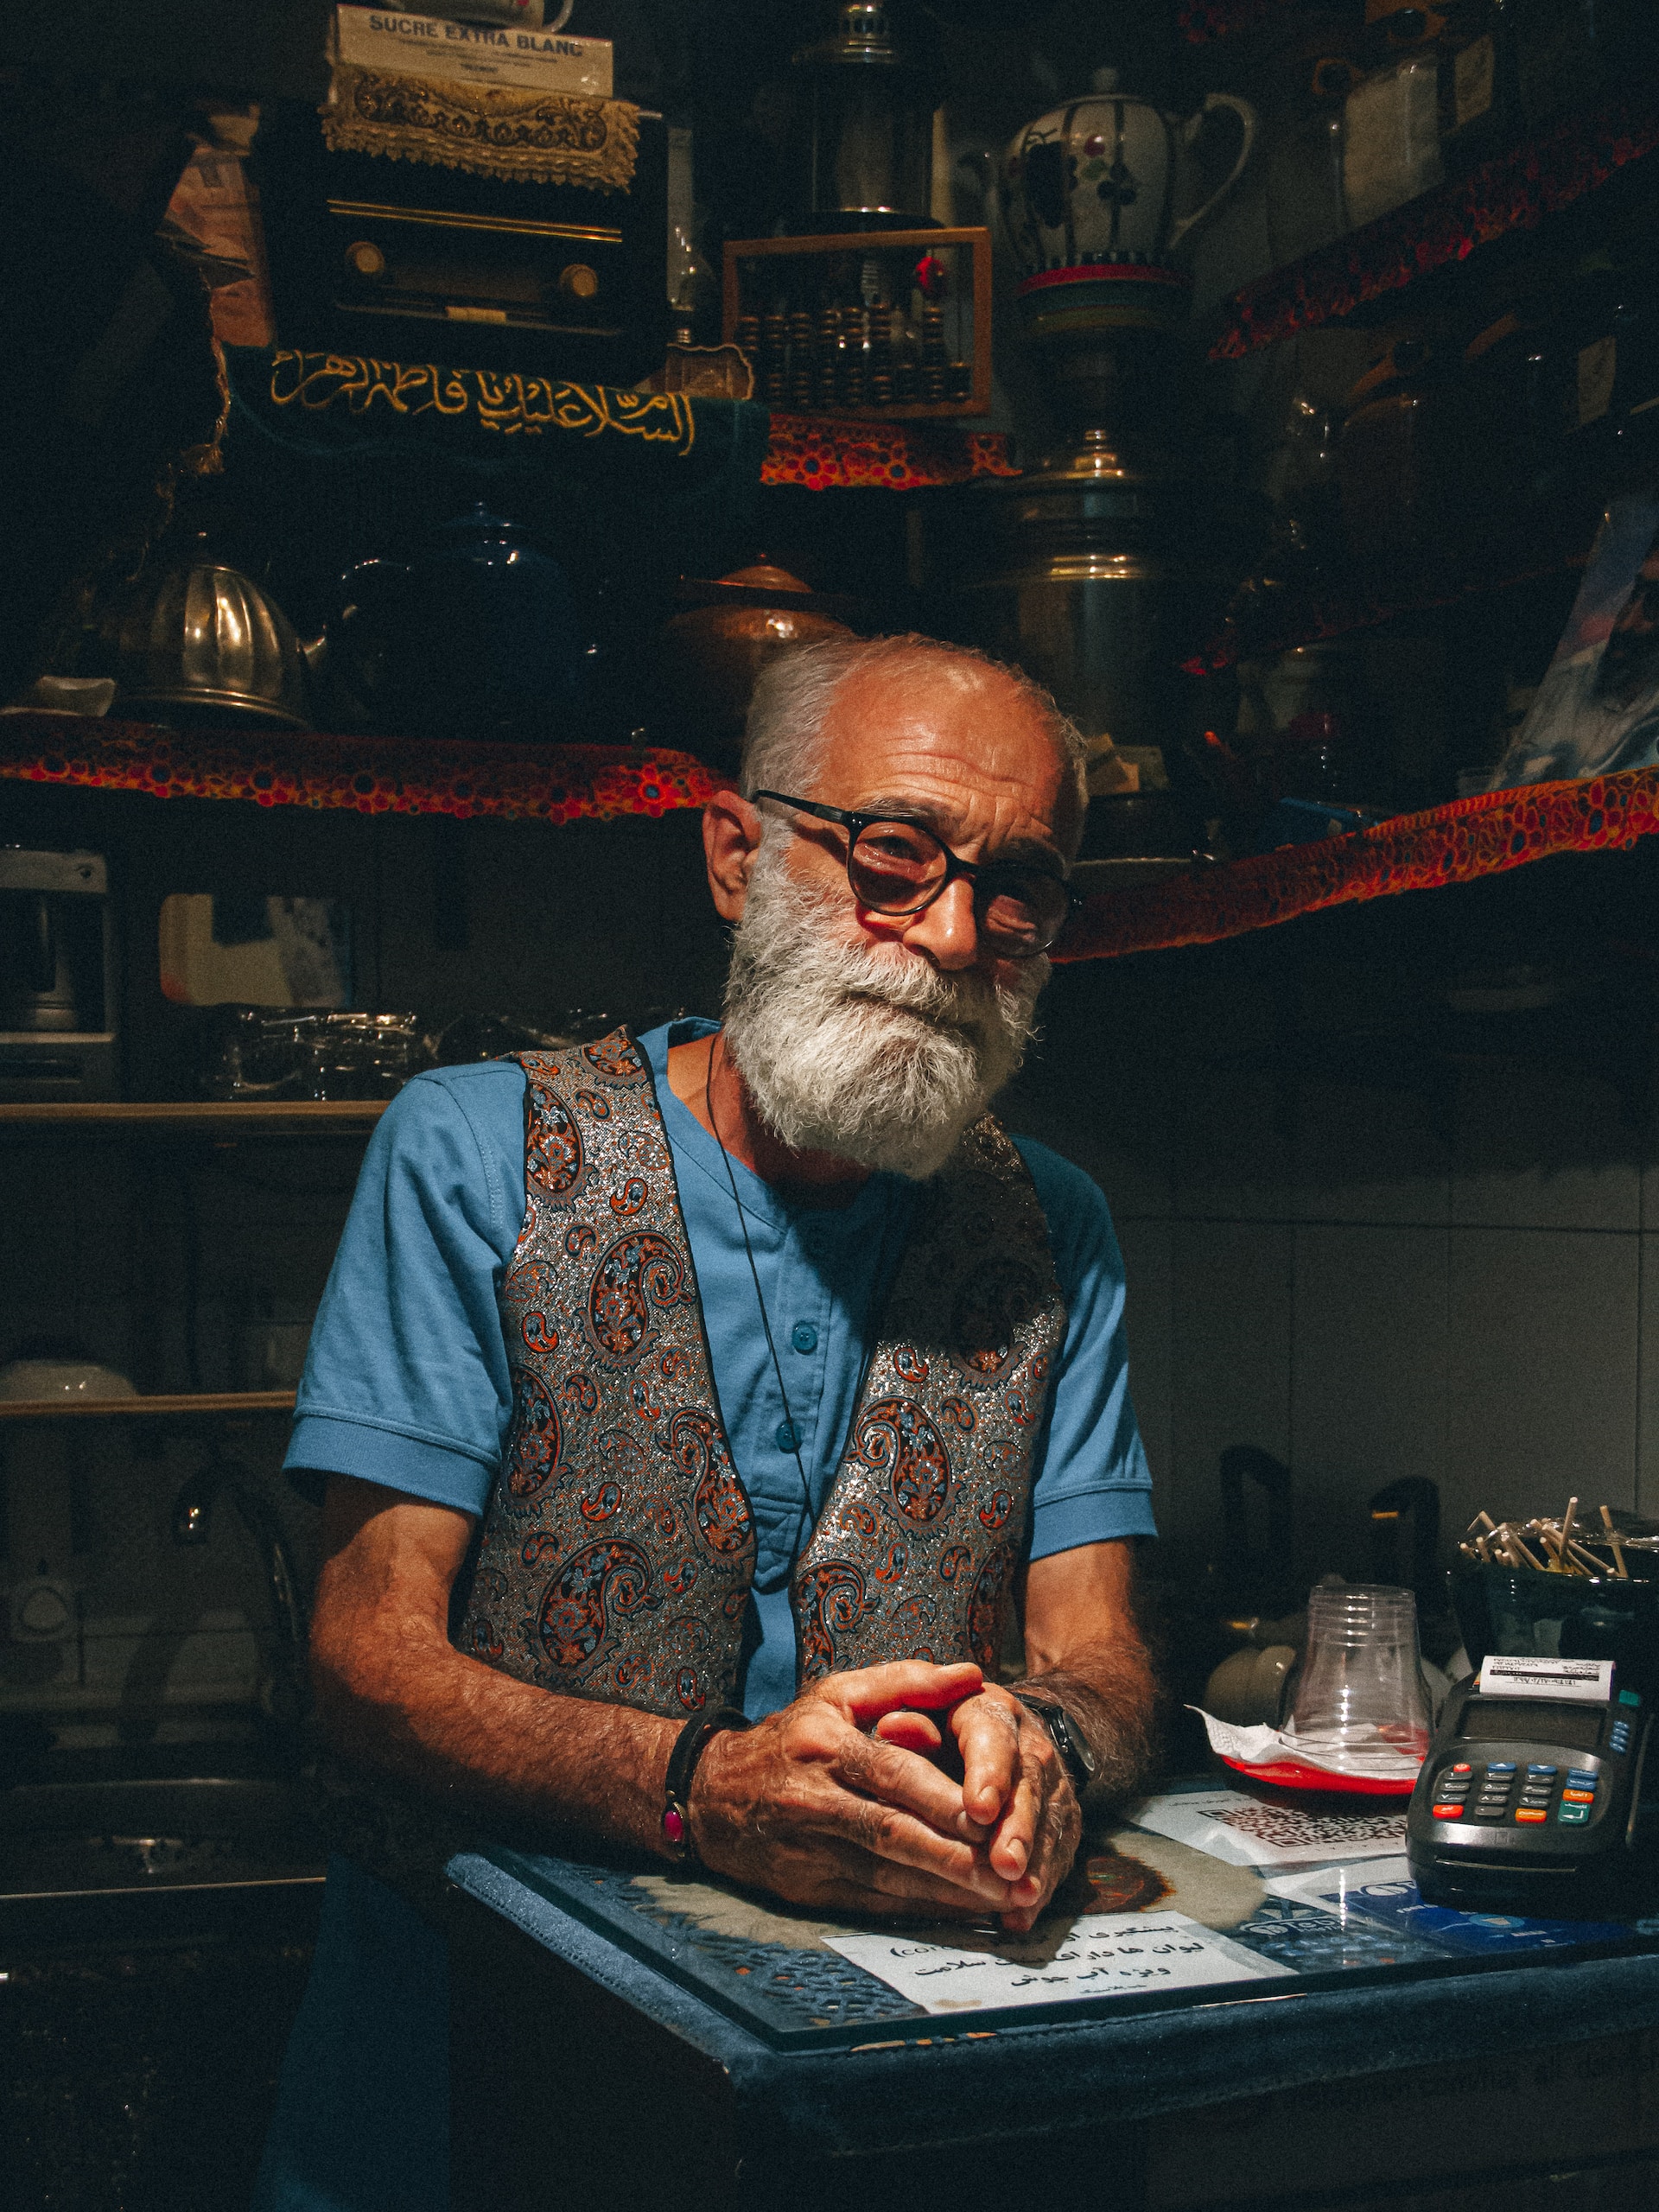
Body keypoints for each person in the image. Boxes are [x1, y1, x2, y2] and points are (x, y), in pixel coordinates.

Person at [255, 634, 1158, 2212]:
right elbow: (362, 1658)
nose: (953, 935)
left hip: (876, 2085)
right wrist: (698, 1791)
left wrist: (1056, 1745)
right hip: (483, 2058)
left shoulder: (1052, 1228)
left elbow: (1105, 1656)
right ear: (740, 856)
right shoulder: (474, 1155)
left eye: (1018, 892)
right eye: (895, 858)